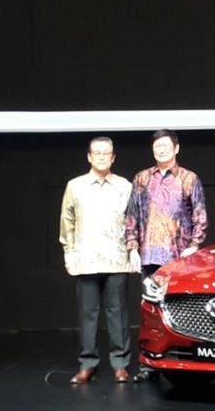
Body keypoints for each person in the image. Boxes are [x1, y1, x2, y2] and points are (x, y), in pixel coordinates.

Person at [126, 129, 209, 382]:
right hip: (150, 255)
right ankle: (150, 363)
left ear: (176, 148)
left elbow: (200, 216)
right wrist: (131, 248)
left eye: (165, 145)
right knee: (151, 312)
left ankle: (186, 358)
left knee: (182, 310)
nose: (161, 150)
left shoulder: (188, 178)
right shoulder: (141, 178)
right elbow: (131, 216)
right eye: (156, 146)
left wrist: (194, 246)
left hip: (178, 258)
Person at [59, 136, 135, 384]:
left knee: (118, 314)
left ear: (113, 157)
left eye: (107, 153)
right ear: (89, 156)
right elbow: (66, 222)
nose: (102, 156)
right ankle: (87, 364)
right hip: (86, 259)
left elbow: (134, 222)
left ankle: (120, 365)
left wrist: (133, 250)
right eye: (97, 153)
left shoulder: (125, 186)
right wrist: (69, 252)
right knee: (87, 314)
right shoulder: (75, 186)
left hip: (116, 259)